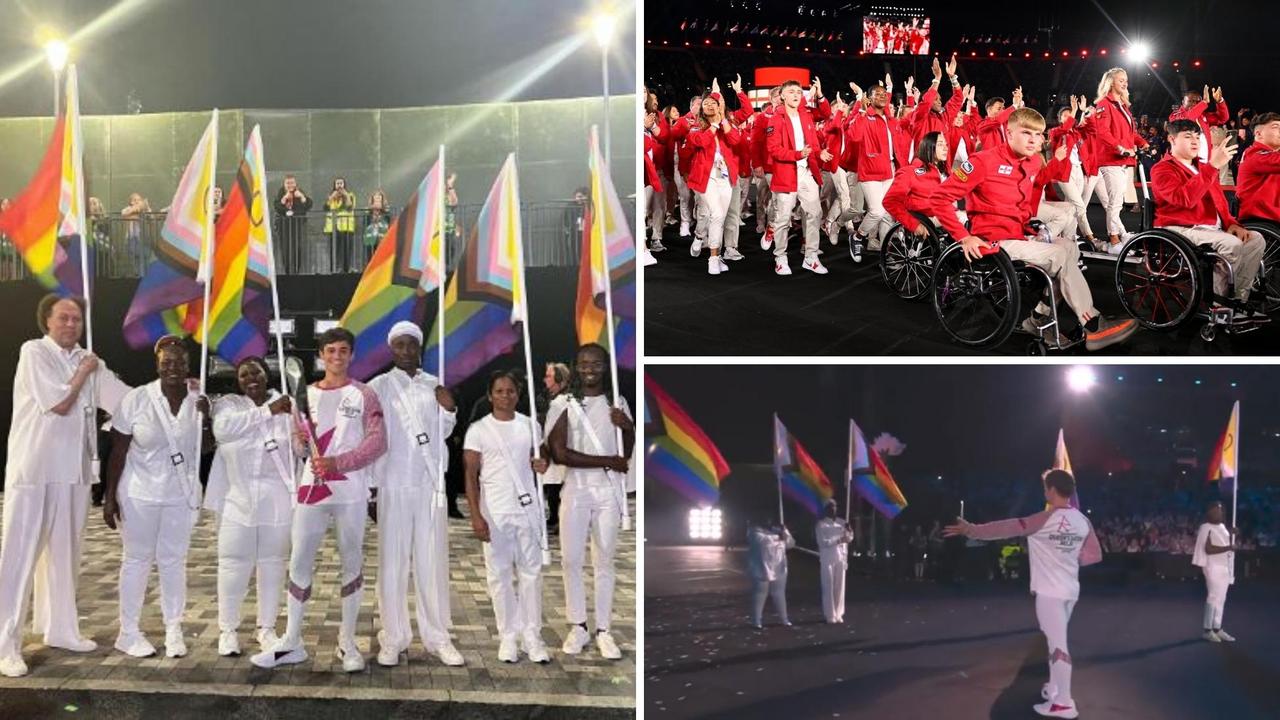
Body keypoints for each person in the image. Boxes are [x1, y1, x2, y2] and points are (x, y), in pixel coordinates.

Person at [927, 107, 1139, 351]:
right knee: (1058, 255)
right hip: (991, 240)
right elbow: (939, 199)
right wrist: (964, 237)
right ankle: (1091, 324)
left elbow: (1039, 184)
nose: (1034, 140)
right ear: (1009, 133)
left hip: (1018, 234)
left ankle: (1039, 317)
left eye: (1038, 135)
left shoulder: (1034, 161)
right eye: (1026, 133)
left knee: (1069, 248)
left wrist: (1058, 160)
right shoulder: (981, 162)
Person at [0, 295, 130, 677]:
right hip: (34, 470)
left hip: (73, 473)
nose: (72, 324)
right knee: (19, 558)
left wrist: (177, 392)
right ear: (47, 321)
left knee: (65, 555)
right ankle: (6, 643)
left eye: (77, 318)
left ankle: (61, 628)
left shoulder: (89, 360)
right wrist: (83, 371)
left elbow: (125, 401)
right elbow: (57, 401)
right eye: (64, 318)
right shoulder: (33, 352)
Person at [251, 327, 386, 672]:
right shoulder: (304, 396)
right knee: (299, 561)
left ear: (351, 355)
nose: (337, 357)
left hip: (350, 491)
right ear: (321, 356)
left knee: (351, 561)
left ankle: (347, 643)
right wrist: (298, 439)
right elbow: (300, 450)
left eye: (343, 350)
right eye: (331, 351)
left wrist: (339, 462)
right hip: (312, 489)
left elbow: (377, 442)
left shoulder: (365, 394)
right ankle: (291, 641)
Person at [944, 469, 1103, 719]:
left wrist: (971, 530)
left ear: (1051, 490)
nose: (1044, 491)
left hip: (1050, 593)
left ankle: (1064, 703)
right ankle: (1053, 688)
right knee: (1054, 641)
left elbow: (1006, 528)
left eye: (1045, 487)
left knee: (1058, 646)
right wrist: (1067, 559)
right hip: (1070, 590)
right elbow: (1095, 555)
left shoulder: (1043, 519)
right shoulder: (1083, 521)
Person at [103, 335, 207, 659]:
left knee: (174, 562)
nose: (173, 367)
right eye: (166, 363)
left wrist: (208, 418)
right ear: (157, 365)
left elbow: (203, 449)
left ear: (189, 365)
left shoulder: (197, 401)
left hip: (179, 495)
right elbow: (117, 452)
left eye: (179, 362)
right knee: (136, 561)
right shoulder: (136, 399)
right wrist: (109, 497)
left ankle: (174, 628)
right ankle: (128, 632)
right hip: (139, 495)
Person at [367, 321, 464, 668]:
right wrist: (370, 490)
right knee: (392, 565)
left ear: (420, 347)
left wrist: (449, 408)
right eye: (400, 345)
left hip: (428, 485)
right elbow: (370, 438)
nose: (407, 351)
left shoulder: (434, 385)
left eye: (412, 345)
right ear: (392, 348)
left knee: (431, 561)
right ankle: (393, 638)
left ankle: (438, 637)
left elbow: (445, 431)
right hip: (391, 483)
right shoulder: (377, 387)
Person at [545, 343, 634, 660]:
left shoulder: (618, 401)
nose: (590, 369)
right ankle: (578, 625)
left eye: (596, 363)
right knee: (570, 560)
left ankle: (605, 630)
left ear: (605, 366)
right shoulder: (564, 404)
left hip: (607, 492)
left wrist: (628, 428)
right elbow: (560, 453)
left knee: (604, 561)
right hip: (576, 489)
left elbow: (625, 456)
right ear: (576, 366)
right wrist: (606, 460)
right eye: (583, 363)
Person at [205, 356, 294, 657]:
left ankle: (266, 628)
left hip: (278, 501)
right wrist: (267, 411)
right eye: (243, 374)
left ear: (267, 375)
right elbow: (223, 431)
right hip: (237, 500)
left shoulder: (288, 406)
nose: (250, 378)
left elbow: (300, 447)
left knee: (272, 565)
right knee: (232, 564)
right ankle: (227, 631)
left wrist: (303, 433)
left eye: (256, 372)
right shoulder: (230, 405)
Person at [464, 371, 552, 663]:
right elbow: (471, 476)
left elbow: (542, 459)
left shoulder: (530, 426)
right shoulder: (478, 429)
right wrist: (476, 515)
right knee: (499, 576)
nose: (505, 396)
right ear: (490, 395)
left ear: (518, 394)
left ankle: (532, 635)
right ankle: (508, 636)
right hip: (495, 512)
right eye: (499, 391)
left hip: (528, 511)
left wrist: (542, 463)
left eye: (510, 391)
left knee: (531, 574)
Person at [1150, 119, 1265, 319]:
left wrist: (1232, 224)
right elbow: (1183, 199)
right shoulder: (1162, 169)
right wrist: (1212, 166)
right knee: (1230, 244)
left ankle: (1238, 301)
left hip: (1209, 228)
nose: (1195, 141)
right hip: (1180, 227)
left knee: (1256, 240)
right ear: (1171, 139)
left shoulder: (1202, 166)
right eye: (1188, 136)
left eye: (1197, 136)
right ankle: (1218, 307)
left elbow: (1220, 201)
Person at [767, 78, 833, 275]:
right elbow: (774, 150)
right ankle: (780, 257)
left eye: (798, 92)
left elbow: (826, 113)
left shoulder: (806, 114)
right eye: (792, 92)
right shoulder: (775, 118)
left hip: (807, 173)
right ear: (783, 96)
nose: (796, 95)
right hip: (787, 175)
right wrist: (798, 154)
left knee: (815, 214)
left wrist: (819, 94)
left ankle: (811, 257)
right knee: (783, 219)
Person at [845, 75, 907, 262]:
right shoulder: (865, 117)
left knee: (888, 213)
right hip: (870, 172)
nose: (882, 96)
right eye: (877, 94)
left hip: (889, 171)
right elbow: (854, 137)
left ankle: (885, 251)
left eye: (884, 93)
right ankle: (858, 236)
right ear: (869, 99)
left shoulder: (889, 119)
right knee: (876, 211)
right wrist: (863, 112)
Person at [683, 90, 744, 275]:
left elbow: (736, 140)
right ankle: (713, 257)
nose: (709, 105)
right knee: (716, 214)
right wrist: (715, 125)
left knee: (719, 217)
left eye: (713, 103)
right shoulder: (695, 126)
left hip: (725, 177)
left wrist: (723, 120)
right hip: (705, 178)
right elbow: (700, 141)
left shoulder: (727, 123)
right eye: (705, 103)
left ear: (720, 106)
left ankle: (706, 243)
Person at [1090, 68, 1148, 251]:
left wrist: (1144, 143)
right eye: (1121, 80)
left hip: (1123, 160)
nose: (1125, 83)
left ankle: (1121, 234)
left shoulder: (1123, 105)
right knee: (1115, 203)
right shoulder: (1104, 104)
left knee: (1117, 202)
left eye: (1126, 80)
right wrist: (1121, 149)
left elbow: (1131, 134)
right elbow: (1103, 133)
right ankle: (1113, 239)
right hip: (1110, 159)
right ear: (1111, 82)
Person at [1191, 501, 1236, 642]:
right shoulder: (1205, 527)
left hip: (1224, 566)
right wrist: (1229, 547)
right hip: (1213, 566)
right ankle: (1207, 630)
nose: (1219, 512)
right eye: (1216, 510)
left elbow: (1221, 538)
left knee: (1221, 598)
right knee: (1213, 597)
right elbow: (1208, 549)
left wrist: (1231, 531)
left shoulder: (1222, 527)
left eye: (1221, 510)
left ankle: (1217, 628)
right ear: (1209, 512)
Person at [537, 362, 571, 532]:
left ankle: (560, 520)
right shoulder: (556, 399)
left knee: (557, 487)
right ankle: (555, 519)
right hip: (555, 452)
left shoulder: (563, 401)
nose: (545, 380)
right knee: (553, 487)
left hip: (560, 452)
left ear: (559, 378)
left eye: (549, 376)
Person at [747, 517, 794, 628]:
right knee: (760, 593)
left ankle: (784, 619)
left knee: (779, 593)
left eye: (769, 519)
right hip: (760, 567)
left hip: (779, 566)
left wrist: (785, 533)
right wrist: (779, 537)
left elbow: (791, 544)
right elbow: (763, 542)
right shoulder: (754, 531)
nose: (768, 521)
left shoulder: (779, 530)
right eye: (764, 518)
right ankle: (757, 620)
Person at [1236, 112, 1280, 223]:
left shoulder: (1267, 155)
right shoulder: (1255, 155)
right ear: (1258, 134)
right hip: (1260, 215)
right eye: (1275, 127)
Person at [815, 501, 853, 624]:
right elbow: (823, 542)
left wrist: (849, 531)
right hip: (827, 559)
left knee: (839, 587)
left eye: (835, 506)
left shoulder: (842, 522)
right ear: (826, 509)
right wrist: (838, 539)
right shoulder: (821, 525)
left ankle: (839, 613)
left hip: (841, 558)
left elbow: (849, 538)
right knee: (828, 586)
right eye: (830, 507)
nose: (833, 509)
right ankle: (829, 614)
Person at [1169, 86, 1229, 164]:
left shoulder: (1202, 116)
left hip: (1205, 162)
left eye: (1198, 102)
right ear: (1183, 102)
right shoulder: (1175, 115)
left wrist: (1220, 101)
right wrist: (1203, 103)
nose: (1194, 104)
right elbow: (1187, 120)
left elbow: (1223, 118)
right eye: (1191, 101)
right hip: (1186, 164)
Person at [273, 175, 312, 272]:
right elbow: (277, 207)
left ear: (295, 183)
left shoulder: (299, 192)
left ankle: (297, 269)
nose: (290, 185)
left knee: (297, 247)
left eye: (292, 183)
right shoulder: (280, 193)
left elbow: (308, 206)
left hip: (297, 225)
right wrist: (284, 199)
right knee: (285, 248)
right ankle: (287, 269)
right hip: (284, 226)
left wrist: (302, 197)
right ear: (284, 184)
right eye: (288, 183)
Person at [324, 177, 357, 273]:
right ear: (334, 185)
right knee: (334, 250)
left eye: (341, 183)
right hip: (333, 227)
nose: (339, 185)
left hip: (346, 227)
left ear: (344, 185)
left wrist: (346, 195)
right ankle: (334, 269)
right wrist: (331, 198)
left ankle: (346, 269)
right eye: (337, 183)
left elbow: (350, 207)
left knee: (346, 250)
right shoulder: (331, 196)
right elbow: (325, 208)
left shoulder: (350, 195)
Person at [364, 190, 392, 264]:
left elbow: (388, 221)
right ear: (372, 198)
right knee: (371, 253)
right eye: (375, 196)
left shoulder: (386, 209)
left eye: (379, 196)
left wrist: (383, 210)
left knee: (382, 253)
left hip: (382, 234)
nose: (377, 198)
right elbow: (365, 222)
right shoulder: (368, 210)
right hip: (371, 235)